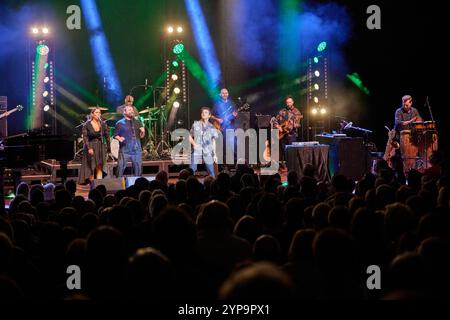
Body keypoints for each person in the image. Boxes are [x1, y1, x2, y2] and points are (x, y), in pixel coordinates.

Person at [78, 107, 110, 184]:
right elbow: (85, 137)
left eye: (99, 113)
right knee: (91, 164)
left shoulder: (103, 124)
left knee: (99, 163)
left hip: (100, 146)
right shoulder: (87, 124)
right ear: (92, 114)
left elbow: (107, 136)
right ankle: (91, 180)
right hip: (91, 145)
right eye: (96, 112)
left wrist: (108, 148)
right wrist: (89, 148)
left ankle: (97, 181)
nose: (98, 114)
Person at [114, 105, 145, 177]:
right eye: (130, 110)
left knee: (138, 168)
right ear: (124, 112)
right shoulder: (120, 123)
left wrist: (143, 132)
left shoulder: (137, 122)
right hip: (125, 148)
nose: (132, 111)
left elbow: (141, 136)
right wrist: (119, 138)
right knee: (120, 168)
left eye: (132, 110)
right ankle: (118, 183)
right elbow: (115, 135)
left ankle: (137, 183)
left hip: (136, 148)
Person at [394, 95, 422, 172]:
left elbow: (419, 120)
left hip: (413, 136)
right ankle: (403, 170)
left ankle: (413, 169)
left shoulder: (414, 111)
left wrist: (419, 120)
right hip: (399, 136)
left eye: (406, 105)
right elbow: (399, 123)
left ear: (411, 103)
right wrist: (411, 121)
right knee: (403, 156)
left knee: (413, 155)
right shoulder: (399, 111)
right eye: (403, 104)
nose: (405, 106)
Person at [189, 107, 219, 178]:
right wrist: (194, 143)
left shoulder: (212, 127)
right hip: (197, 150)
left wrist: (215, 154)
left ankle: (212, 185)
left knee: (211, 172)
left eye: (205, 112)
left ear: (209, 115)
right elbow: (189, 136)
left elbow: (213, 141)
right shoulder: (196, 124)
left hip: (207, 151)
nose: (203, 113)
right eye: (202, 112)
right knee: (191, 170)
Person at [275, 96, 303, 165]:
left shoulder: (296, 112)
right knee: (284, 150)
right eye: (287, 102)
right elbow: (275, 120)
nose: (288, 104)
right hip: (282, 134)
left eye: (290, 102)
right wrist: (278, 126)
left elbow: (298, 125)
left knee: (291, 150)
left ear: (293, 102)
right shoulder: (282, 111)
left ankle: (292, 165)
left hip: (292, 134)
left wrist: (293, 124)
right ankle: (285, 165)